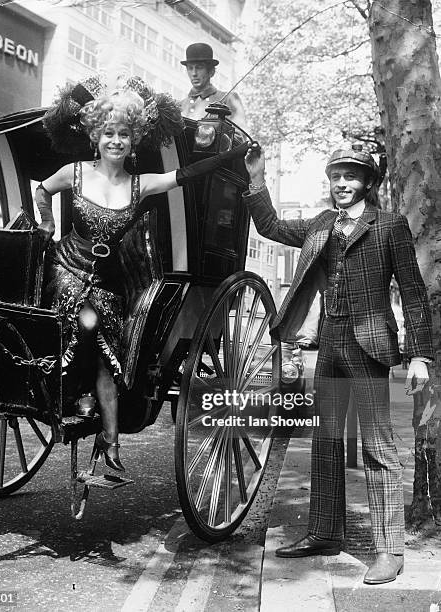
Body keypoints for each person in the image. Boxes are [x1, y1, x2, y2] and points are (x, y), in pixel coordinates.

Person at [243, 143, 433, 584]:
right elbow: (270, 225)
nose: (342, 184)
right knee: (326, 441)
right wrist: (256, 180)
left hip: (370, 347)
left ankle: (389, 550)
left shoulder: (389, 226)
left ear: (367, 182)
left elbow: (413, 291)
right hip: (329, 344)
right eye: (335, 177)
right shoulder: (321, 224)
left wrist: (420, 355)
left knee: (378, 447)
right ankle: (325, 532)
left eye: (350, 177)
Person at [38, 76, 249, 473]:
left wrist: (230, 156)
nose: (115, 141)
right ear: (96, 138)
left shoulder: (141, 185)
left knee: (105, 351)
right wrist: (47, 225)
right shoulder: (75, 173)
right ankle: (70, 395)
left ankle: (111, 442)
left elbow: (185, 175)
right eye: (108, 134)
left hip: (107, 281)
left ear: (132, 142)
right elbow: (41, 191)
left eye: (122, 135)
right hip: (66, 268)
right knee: (83, 316)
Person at [180, 43, 247, 129]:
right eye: (190, 68)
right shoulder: (180, 106)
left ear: (211, 71)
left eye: (199, 67)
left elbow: (240, 136)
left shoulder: (228, 99)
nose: (194, 73)